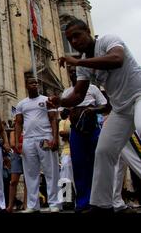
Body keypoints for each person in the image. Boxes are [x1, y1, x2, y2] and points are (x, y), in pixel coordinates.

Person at [49, 18, 141, 212]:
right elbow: (78, 95)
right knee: (104, 151)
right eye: (69, 39)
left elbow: (117, 59)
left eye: (77, 36)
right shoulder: (83, 66)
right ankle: (102, 204)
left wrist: (78, 60)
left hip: (139, 96)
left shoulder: (108, 40)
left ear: (88, 31)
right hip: (121, 109)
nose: (74, 41)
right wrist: (60, 101)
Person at [60, 66, 109, 212]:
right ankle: (82, 202)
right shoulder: (67, 92)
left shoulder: (93, 88)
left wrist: (91, 110)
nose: (74, 74)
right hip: (76, 133)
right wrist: (65, 108)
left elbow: (105, 107)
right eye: (71, 73)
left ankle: (99, 201)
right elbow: (62, 113)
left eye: (76, 72)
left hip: (93, 130)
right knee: (79, 167)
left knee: (96, 165)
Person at [15, 77, 61, 213]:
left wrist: (55, 138)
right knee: (30, 173)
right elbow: (18, 123)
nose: (35, 84)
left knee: (50, 171)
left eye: (36, 83)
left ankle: (54, 203)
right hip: (28, 139)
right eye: (31, 82)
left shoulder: (46, 100)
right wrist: (17, 141)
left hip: (45, 137)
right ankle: (32, 205)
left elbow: (54, 119)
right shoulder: (21, 104)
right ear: (26, 85)